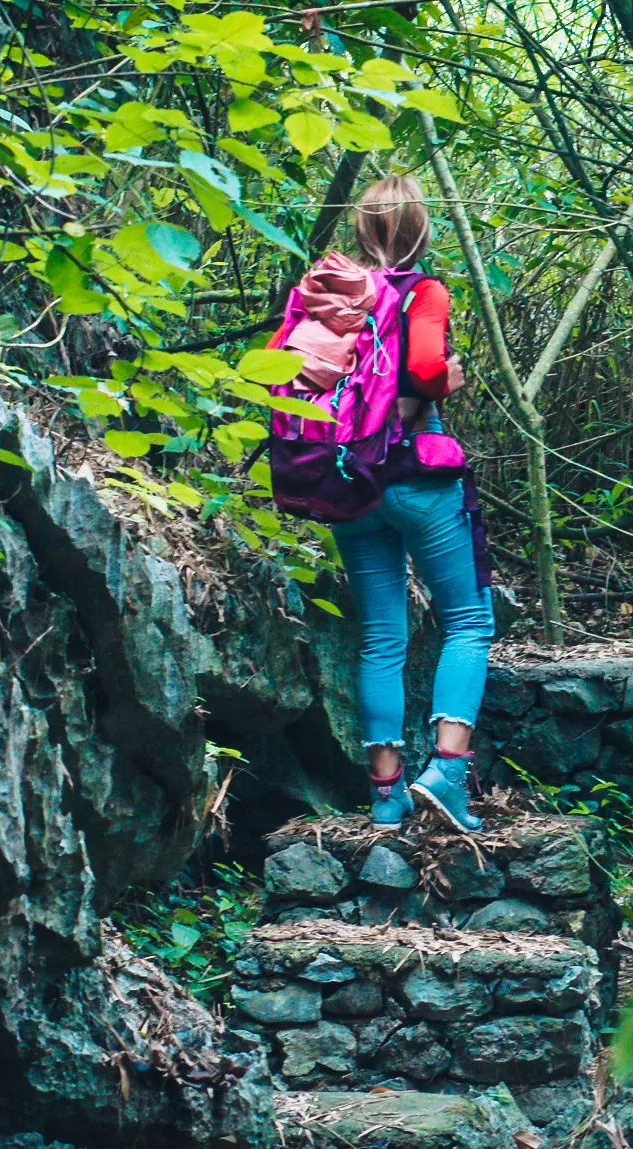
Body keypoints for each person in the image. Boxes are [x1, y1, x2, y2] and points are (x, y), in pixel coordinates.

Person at [270, 175, 493, 832]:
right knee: (469, 623)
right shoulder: (422, 291)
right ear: (422, 227)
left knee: (381, 637)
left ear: (363, 228)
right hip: (416, 473)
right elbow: (424, 370)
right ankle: (447, 777)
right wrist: (445, 378)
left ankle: (388, 794)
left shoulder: (335, 296)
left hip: (349, 482)